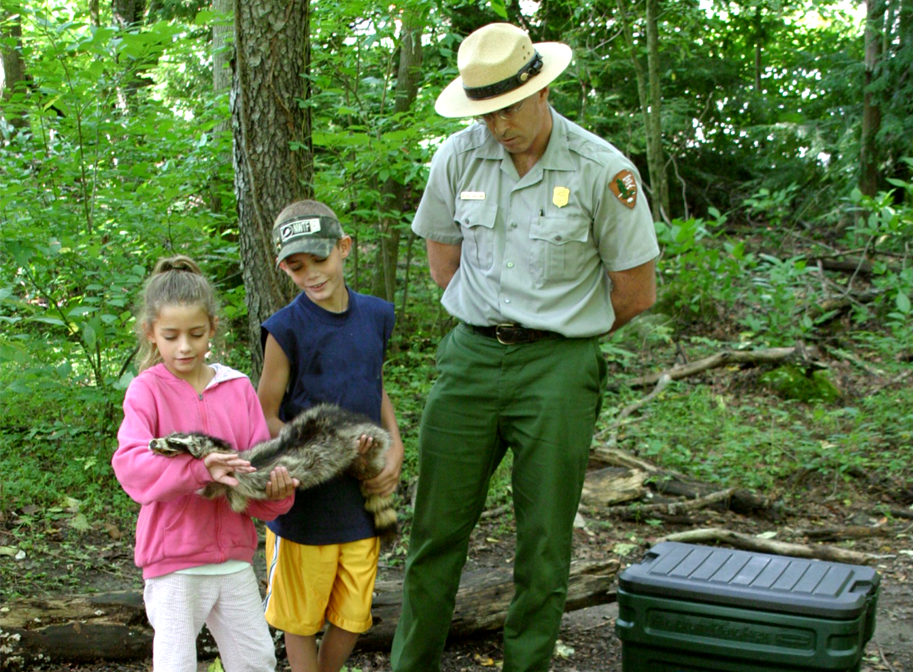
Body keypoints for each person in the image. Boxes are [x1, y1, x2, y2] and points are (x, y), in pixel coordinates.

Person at [390, 22, 660, 672]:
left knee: (542, 544)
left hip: (558, 368)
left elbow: (634, 292)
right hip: (470, 358)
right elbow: (444, 265)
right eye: (484, 113)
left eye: (509, 108)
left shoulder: (602, 169)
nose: (498, 125)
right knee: (434, 533)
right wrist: (492, 319)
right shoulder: (457, 158)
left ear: (542, 91)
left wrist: (560, 334)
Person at [113, 255, 298, 672]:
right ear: (151, 333)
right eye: (171, 335)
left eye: (196, 334)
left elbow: (257, 469)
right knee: (175, 664)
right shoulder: (146, 391)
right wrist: (198, 470)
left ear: (212, 328)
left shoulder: (237, 388)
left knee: (256, 661)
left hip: (233, 558)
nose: (185, 346)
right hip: (174, 563)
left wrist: (276, 495)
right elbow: (131, 466)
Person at [257, 199, 405, 672]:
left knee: (352, 614)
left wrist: (395, 445)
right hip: (307, 503)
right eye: (296, 267)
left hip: (361, 499)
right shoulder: (285, 329)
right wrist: (322, 454)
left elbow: (374, 384)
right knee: (301, 619)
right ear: (283, 267)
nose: (311, 274)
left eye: (319, 259)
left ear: (344, 247)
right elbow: (265, 414)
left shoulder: (376, 315)